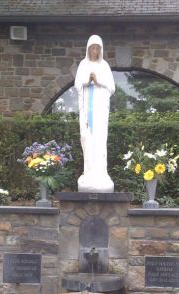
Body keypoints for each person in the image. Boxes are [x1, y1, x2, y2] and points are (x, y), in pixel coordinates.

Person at [74, 35, 115, 193]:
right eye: (93, 48)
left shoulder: (104, 66)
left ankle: (101, 173)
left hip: (99, 109)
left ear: (100, 50)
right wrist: (87, 81)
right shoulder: (83, 65)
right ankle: (89, 172)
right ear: (88, 49)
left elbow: (111, 87)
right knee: (87, 138)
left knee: (99, 139)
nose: (95, 51)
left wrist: (98, 81)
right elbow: (77, 85)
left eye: (97, 48)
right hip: (87, 108)